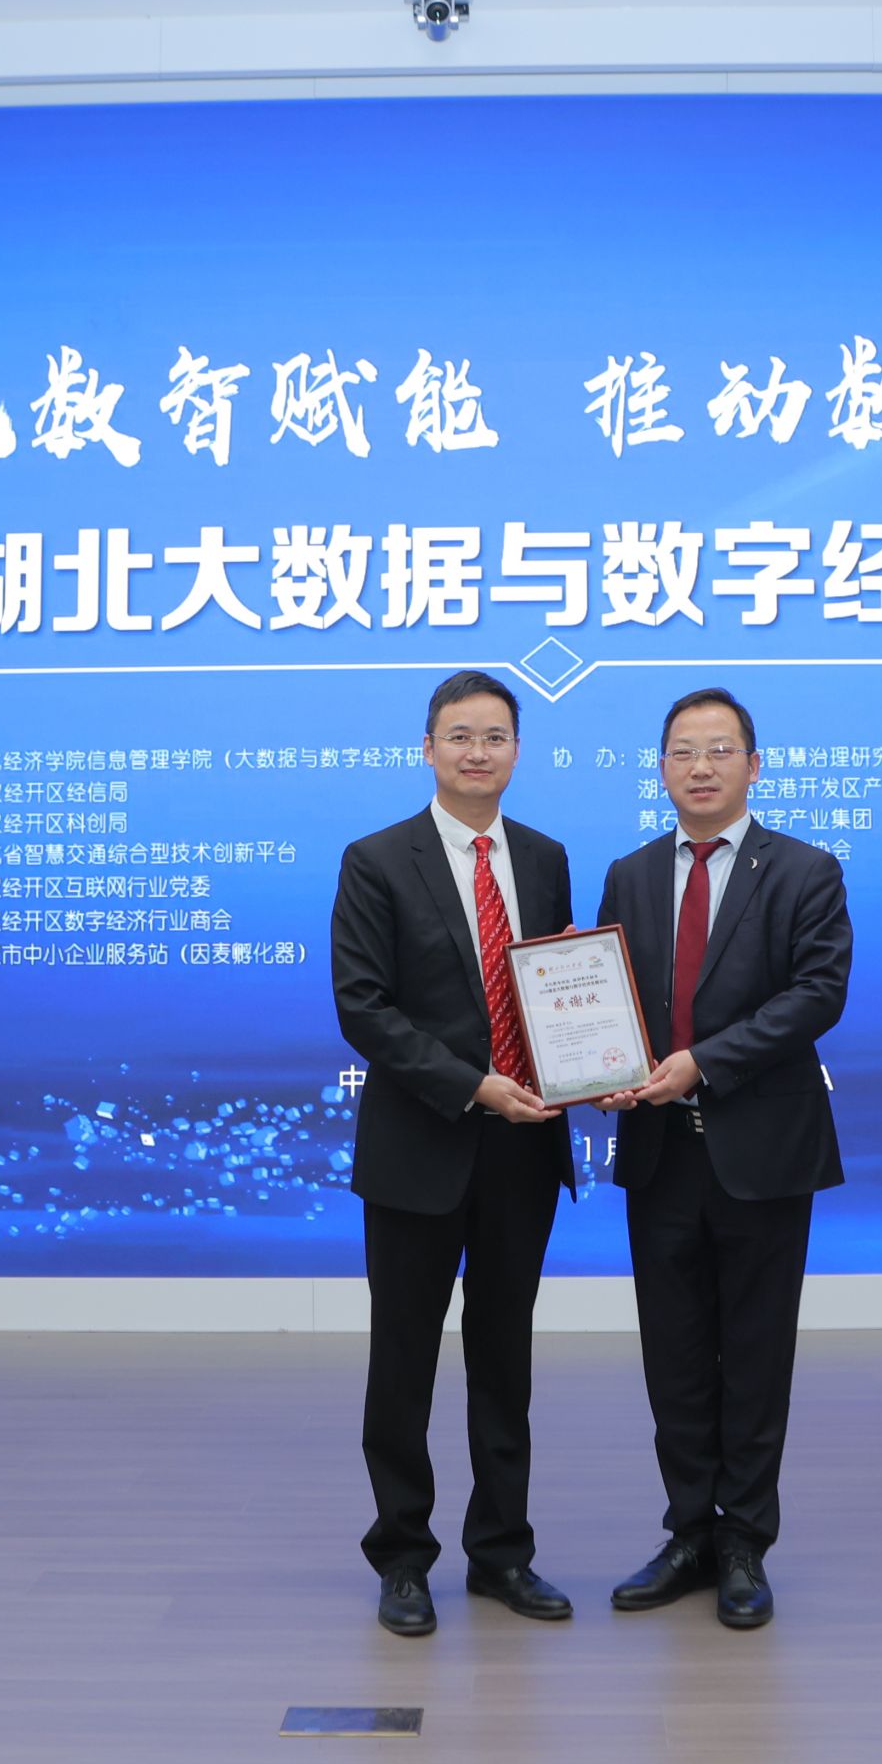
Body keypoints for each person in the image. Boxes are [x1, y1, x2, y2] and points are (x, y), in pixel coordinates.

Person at [329, 670, 579, 1637]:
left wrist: (585, 1055)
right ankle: (402, 1556)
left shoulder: (546, 859)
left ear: (518, 751)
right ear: (427, 749)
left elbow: (560, 990)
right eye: (460, 735)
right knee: (403, 1359)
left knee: (504, 1356)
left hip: (524, 1146)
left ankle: (502, 1552)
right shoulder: (376, 860)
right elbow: (364, 1007)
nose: (478, 752)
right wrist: (471, 1083)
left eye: (495, 736)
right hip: (419, 1147)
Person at [594, 687, 850, 1629]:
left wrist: (703, 1063)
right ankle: (687, 1534)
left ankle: (744, 1541)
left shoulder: (806, 870)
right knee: (673, 1355)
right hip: (660, 1150)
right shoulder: (628, 874)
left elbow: (817, 994)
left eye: (719, 750)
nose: (700, 767)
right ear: (661, 768)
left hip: (763, 1149)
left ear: (753, 764)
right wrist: (604, 1065)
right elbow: (609, 997)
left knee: (754, 1351)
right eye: (682, 751)